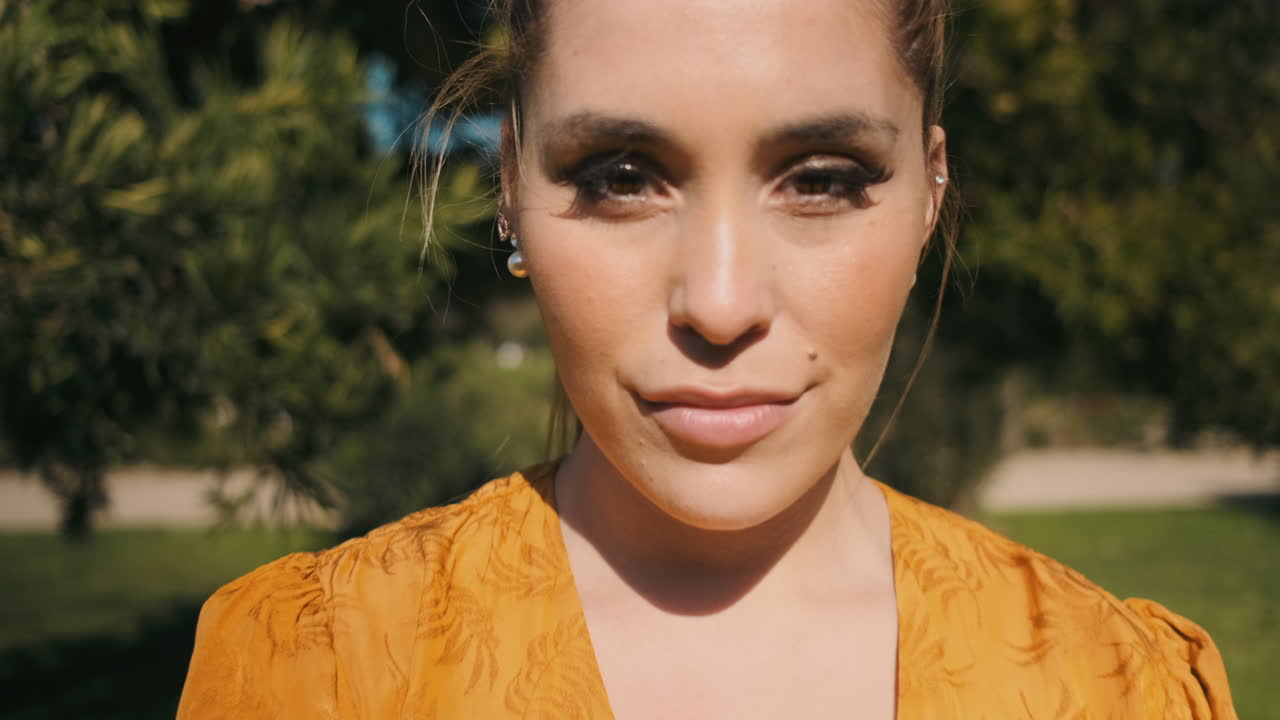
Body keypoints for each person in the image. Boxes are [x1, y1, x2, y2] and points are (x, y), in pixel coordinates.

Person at [177, 0, 1237, 717]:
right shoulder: (316, 674)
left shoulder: (1114, 687)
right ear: (507, 187)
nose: (720, 305)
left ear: (929, 191)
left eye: (820, 178)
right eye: (621, 173)